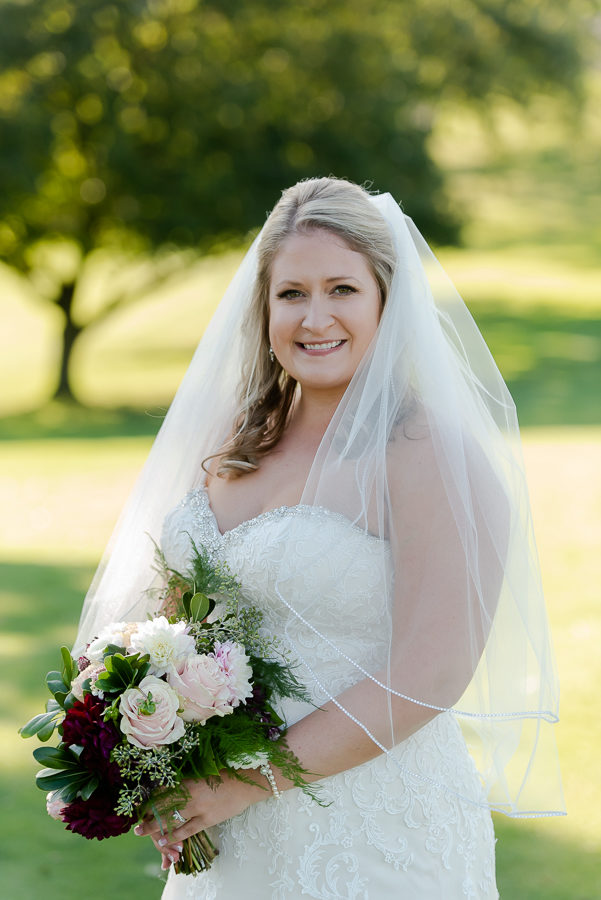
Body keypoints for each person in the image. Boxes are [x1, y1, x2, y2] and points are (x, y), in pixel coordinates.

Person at [75, 177, 564, 899]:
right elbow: (173, 618)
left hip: (372, 830)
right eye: (291, 293)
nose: (314, 318)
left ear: (386, 303)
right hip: (227, 834)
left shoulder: (428, 452)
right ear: (263, 306)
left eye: (342, 289)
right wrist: (144, 728)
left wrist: (247, 781)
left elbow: (431, 673)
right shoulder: (232, 439)